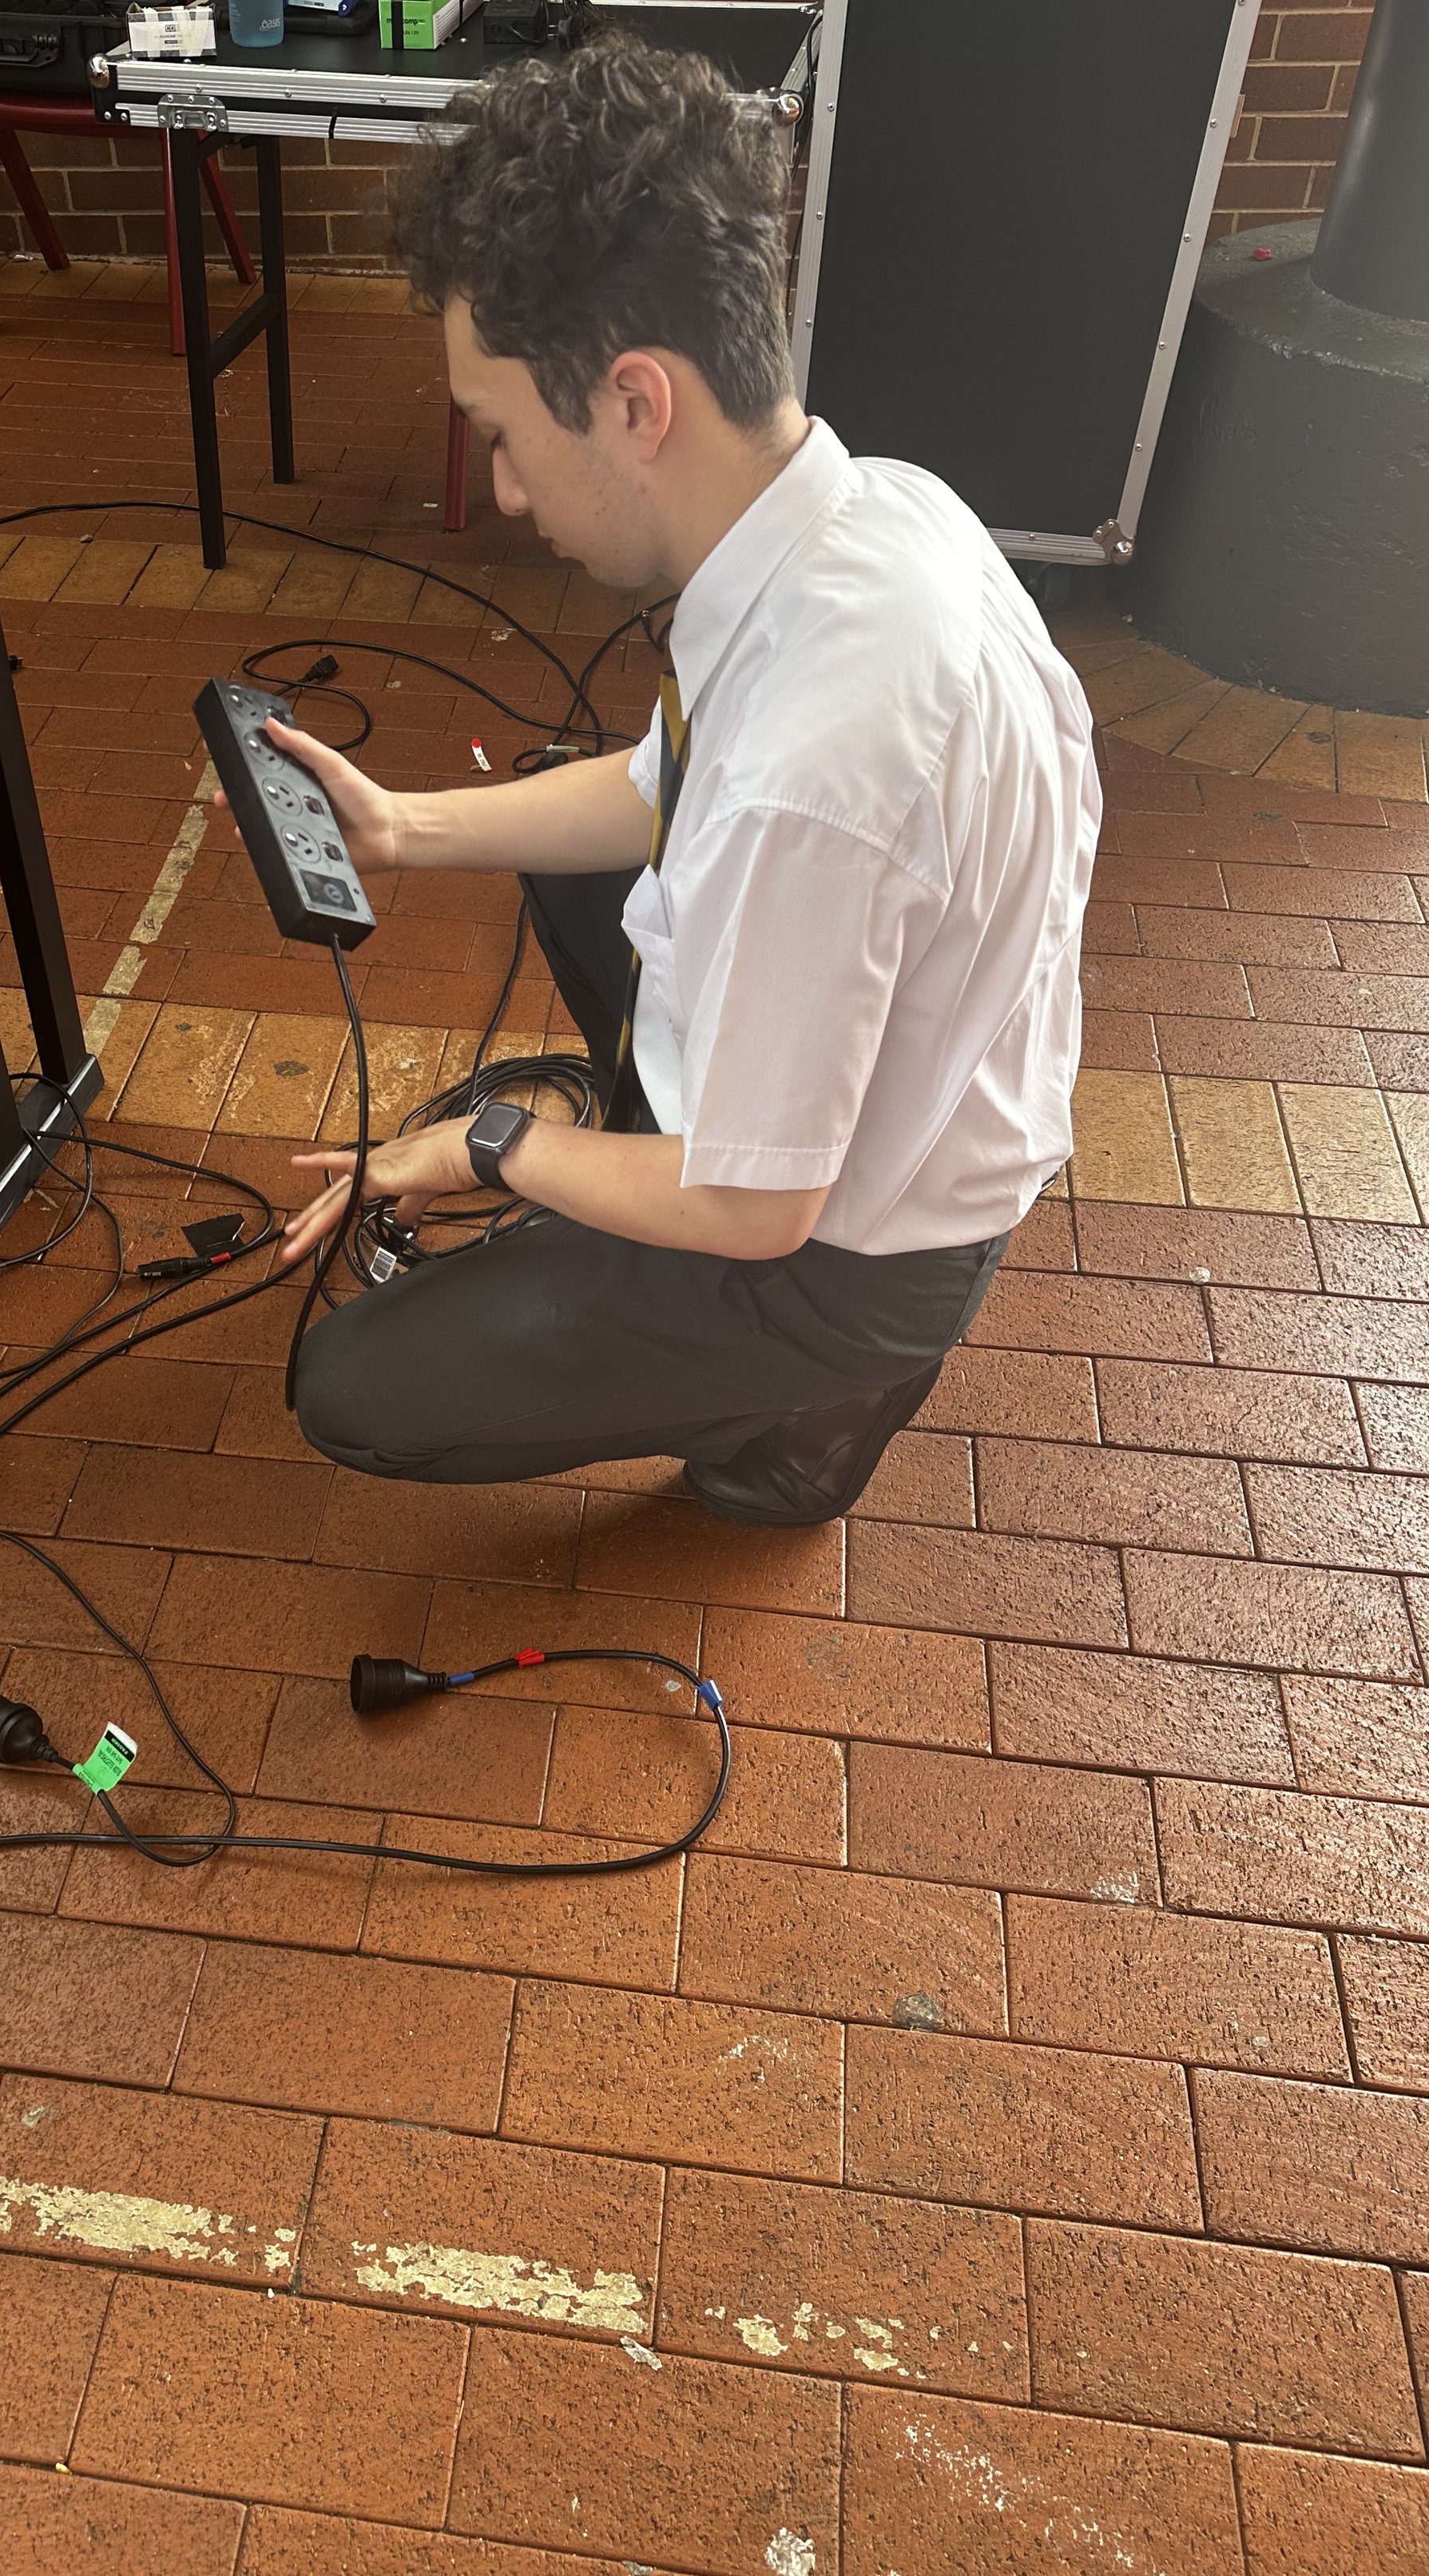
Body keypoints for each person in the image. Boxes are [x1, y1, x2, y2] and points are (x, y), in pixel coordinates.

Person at [251, 32, 1101, 1526]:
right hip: (926, 1108)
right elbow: (664, 783)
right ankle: (671, 1214)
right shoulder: (866, 514)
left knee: (352, 1392)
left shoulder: (812, 771)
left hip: (843, 1264)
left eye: (506, 437)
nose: (505, 492)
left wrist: (493, 1146)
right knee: (574, 850)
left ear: (637, 403)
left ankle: (798, 1420)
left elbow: (754, 1207)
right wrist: (400, 829)